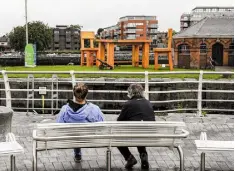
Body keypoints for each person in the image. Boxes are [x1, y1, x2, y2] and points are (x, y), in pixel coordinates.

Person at [57, 83, 104, 162]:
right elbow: (102, 124)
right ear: (86, 94)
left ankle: (77, 154)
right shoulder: (94, 109)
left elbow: (58, 126)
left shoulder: (65, 109)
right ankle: (77, 154)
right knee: (78, 132)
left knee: (75, 132)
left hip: (69, 139)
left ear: (74, 94)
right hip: (91, 140)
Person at [117, 83, 155, 169]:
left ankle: (129, 157)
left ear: (131, 92)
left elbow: (119, 122)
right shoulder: (148, 103)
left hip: (134, 134)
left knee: (117, 138)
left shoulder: (128, 104)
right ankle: (143, 154)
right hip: (150, 135)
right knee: (140, 130)